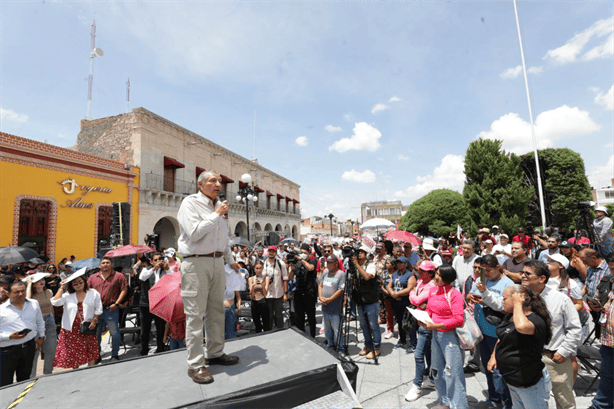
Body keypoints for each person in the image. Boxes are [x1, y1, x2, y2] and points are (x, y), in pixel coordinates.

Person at [176, 170, 241, 384]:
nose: (218, 184)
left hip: (217, 263)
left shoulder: (218, 207)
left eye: (220, 181)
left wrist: (230, 259)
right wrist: (216, 215)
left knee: (216, 311)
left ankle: (215, 352)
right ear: (200, 184)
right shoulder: (190, 203)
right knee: (195, 315)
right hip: (195, 262)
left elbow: (224, 238)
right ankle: (195, 365)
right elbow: (194, 233)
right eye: (213, 181)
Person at [521, 260, 582, 409]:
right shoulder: (520, 298)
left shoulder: (560, 299)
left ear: (542, 278)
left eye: (527, 273)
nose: (522, 276)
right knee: (532, 400)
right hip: (528, 357)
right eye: (522, 272)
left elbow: (574, 328)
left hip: (554, 358)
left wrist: (564, 351)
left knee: (564, 401)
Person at [487, 285, 552, 409]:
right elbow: (502, 337)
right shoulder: (509, 316)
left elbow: (521, 327)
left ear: (518, 300)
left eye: (505, 298)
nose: (502, 301)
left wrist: (518, 305)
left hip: (529, 381)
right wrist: (493, 356)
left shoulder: (535, 320)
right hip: (512, 379)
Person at [469, 254, 515, 408]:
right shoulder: (482, 280)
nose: (485, 274)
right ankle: (494, 397)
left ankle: (508, 402)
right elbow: (472, 292)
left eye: (488, 270)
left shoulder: (508, 284)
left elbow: (506, 309)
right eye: (482, 270)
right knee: (487, 367)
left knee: (501, 370)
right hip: (482, 332)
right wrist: (471, 296)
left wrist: (484, 300)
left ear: (497, 267)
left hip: (498, 334)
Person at [421, 265, 469, 409]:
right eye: (436, 273)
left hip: (450, 336)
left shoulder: (454, 294)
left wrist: (436, 325)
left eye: (440, 275)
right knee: (437, 369)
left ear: (447, 279)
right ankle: (443, 401)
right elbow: (430, 310)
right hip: (435, 335)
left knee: (453, 372)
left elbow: (458, 319)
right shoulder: (433, 290)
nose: (436, 277)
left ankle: (459, 405)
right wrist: (423, 319)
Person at [51, 268, 102, 370]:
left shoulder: (93, 293)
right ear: (71, 286)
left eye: (80, 282)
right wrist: (61, 287)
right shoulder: (67, 296)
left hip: (88, 325)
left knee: (90, 347)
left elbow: (98, 308)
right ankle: (75, 371)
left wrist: (95, 320)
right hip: (71, 328)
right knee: (74, 350)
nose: (78, 285)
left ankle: (91, 369)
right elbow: (55, 302)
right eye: (75, 284)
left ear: (84, 282)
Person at [0, 281, 45, 386]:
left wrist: (41, 336)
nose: (20, 294)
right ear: (8, 294)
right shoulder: (1, 310)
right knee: (5, 383)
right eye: (16, 292)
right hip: (7, 352)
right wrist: (9, 336)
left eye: (23, 291)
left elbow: (39, 321)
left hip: (28, 347)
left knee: (25, 380)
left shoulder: (33, 303)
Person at [405, 260, 437, 402]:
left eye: (424, 271)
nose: (420, 272)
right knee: (427, 352)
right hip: (420, 320)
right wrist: (415, 298)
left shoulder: (431, 285)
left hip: (427, 323)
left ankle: (417, 386)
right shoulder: (420, 281)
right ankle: (431, 379)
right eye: (420, 270)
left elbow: (416, 299)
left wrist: (413, 296)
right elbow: (416, 300)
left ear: (431, 273)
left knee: (418, 355)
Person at [87, 256, 127, 362]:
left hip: (111, 309)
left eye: (107, 262)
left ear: (112, 264)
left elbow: (124, 289)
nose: (105, 264)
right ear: (100, 265)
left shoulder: (118, 276)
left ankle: (115, 354)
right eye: (103, 263)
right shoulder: (92, 277)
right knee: (96, 334)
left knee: (114, 332)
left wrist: (117, 304)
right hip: (96, 311)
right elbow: (87, 292)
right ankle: (97, 355)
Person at [588, 271, 614, 409]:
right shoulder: (607, 282)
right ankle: (601, 405)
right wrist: (596, 306)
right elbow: (597, 299)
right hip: (608, 341)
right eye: (611, 269)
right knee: (607, 377)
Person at [353, 243, 381, 360]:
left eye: (361, 252)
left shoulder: (371, 265)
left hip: (371, 300)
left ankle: (376, 347)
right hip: (360, 300)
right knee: (364, 325)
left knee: (373, 325)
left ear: (366, 254)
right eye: (358, 252)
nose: (359, 254)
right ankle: (368, 346)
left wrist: (356, 265)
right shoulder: (355, 266)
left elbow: (367, 277)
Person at [25, 272, 57, 376]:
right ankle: (31, 376)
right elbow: (27, 300)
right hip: (36, 323)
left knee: (51, 348)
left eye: (43, 280)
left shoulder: (49, 291)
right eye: (38, 281)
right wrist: (29, 284)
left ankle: (48, 372)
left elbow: (51, 307)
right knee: (35, 350)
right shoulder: (30, 295)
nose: (41, 282)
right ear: (34, 283)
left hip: (49, 320)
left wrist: (53, 320)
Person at [139, 253, 170, 355]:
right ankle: (144, 350)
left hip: (159, 304)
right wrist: (153, 269)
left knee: (160, 328)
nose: (158, 262)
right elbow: (142, 277)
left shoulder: (165, 271)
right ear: (151, 261)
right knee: (145, 330)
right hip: (146, 304)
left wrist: (167, 268)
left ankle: (160, 349)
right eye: (155, 260)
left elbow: (173, 279)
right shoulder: (146, 270)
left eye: (160, 259)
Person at [387, 257, 416, 353]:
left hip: (406, 302)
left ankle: (413, 344)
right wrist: (392, 294)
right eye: (397, 263)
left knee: (408, 322)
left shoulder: (410, 275)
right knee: (399, 321)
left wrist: (397, 294)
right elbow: (389, 286)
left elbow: (410, 288)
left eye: (401, 263)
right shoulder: (395, 274)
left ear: (405, 264)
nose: (399, 264)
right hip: (396, 301)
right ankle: (402, 340)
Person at [318, 255, 346, 352]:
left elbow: (340, 290)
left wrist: (330, 299)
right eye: (327, 262)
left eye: (330, 262)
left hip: (335, 307)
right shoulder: (325, 272)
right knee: (328, 329)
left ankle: (340, 348)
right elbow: (320, 285)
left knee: (337, 330)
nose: (328, 264)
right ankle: (331, 346)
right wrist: (320, 297)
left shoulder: (341, 274)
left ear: (336, 263)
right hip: (325, 307)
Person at [289, 243, 317, 337]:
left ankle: (313, 336)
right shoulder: (298, 263)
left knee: (311, 317)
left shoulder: (312, 261)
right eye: (301, 252)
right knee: (299, 317)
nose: (302, 254)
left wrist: (301, 259)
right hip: (299, 293)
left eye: (304, 252)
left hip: (309, 294)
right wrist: (292, 269)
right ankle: (302, 335)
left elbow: (310, 268)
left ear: (309, 253)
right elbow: (290, 277)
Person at [580, 248, 610, 339]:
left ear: (593, 258)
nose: (584, 264)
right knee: (597, 327)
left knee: (605, 328)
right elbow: (587, 284)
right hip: (593, 304)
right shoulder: (590, 268)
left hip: (605, 305)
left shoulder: (608, 268)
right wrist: (579, 296)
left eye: (585, 261)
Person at [263, 246, 288, 330]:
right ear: (267, 252)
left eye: (273, 251)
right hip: (267, 295)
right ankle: (269, 332)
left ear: (276, 253)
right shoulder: (263, 264)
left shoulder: (281, 264)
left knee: (278, 315)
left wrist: (285, 293)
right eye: (269, 251)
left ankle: (280, 331)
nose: (271, 253)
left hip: (278, 294)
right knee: (268, 316)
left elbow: (285, 279)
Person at [248, 260, 270, 333]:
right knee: (257, 325)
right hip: (254, 302)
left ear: (262, 268)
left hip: (263, 301)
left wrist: (262, 285)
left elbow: (265, 293)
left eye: (260, 268)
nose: (258, 270)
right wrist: (253, 286)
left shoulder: (266, 278)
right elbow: (251, 295)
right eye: (257, 268)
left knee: (266, 323)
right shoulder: (250, 279)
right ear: (254, 269)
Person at [223, 264, 243, 340]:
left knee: (230, 335)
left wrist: (239, 307)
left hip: (231, 310)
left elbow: (238, 296)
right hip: (218, 310)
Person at [380, 258, 396, 339]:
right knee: (388, 314)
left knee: (397, 314)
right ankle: (390, 330)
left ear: (393, 265)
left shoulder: (397, 273)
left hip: (396, 296)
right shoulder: (384, 273)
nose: (386, 264)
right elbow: (381, 284)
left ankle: (400, 332)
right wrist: (385, 291)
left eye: (388, 263)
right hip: (386, 296)